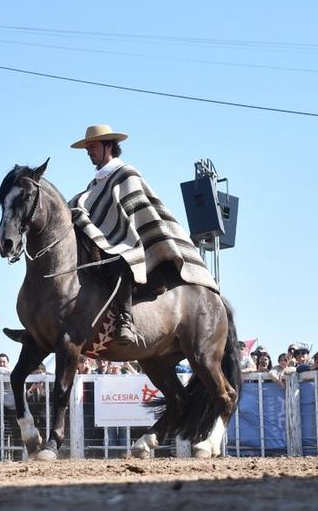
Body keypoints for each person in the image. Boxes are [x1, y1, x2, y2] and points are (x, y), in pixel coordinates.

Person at [68, 124, 217, 346]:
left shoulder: (126, 173)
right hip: (103, 241)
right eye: (87, 147)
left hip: (132, 242)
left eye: (92, 145)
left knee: (120, 259)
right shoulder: (94, 183)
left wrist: (118, 236)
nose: (89, 150)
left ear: (108, 145)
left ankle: (125, 320)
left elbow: (138, 210)